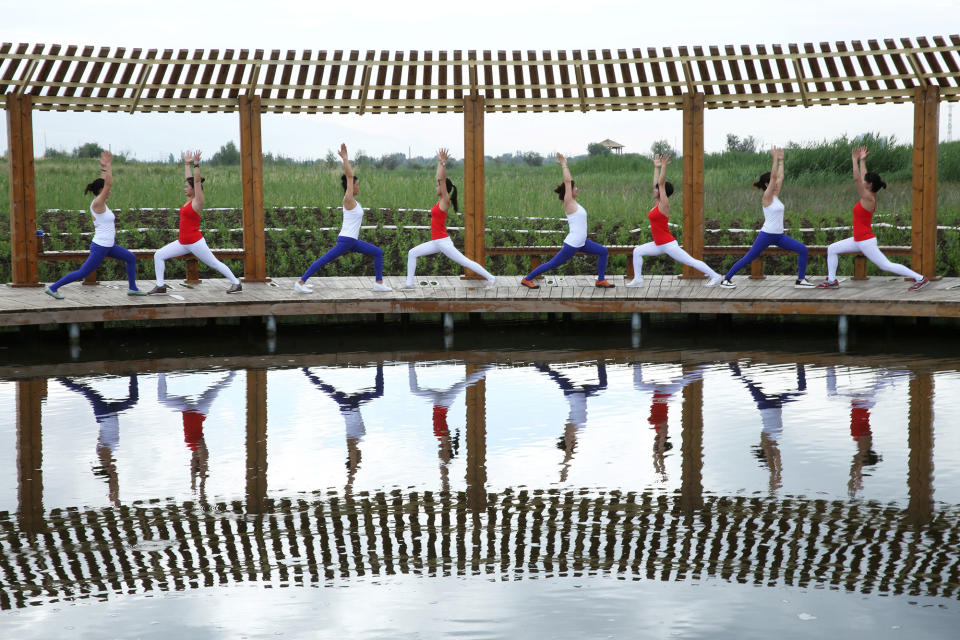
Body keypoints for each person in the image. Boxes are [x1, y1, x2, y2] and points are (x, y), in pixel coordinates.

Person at [817, 146, 929, 291]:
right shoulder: (868, 193)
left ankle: (920, 278)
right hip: (858, 240)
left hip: (865, 241)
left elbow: (857, 178)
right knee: (832, 249)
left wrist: (853, 159)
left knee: (885, 265)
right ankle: (832, 281)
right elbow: (863, 175)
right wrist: (862, 160)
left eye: (866, 181)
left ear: (869, 185)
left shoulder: (868, 198)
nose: (863, 181)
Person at [44, 151, 149, 299]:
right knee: (83, 273)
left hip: (109, 246)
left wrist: (104, 168)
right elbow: (108, 183)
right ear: (101, 191)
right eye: (106, 189)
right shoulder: (98, 203)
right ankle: (53, 288)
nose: (109, 190)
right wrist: (109, 166)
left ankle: (132, 288)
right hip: (100, 246)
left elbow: (104, 181)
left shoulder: (100, 202)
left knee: (131, 258)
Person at [295, 144, 391, 294]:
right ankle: (301, 282)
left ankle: (379, 283)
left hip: (352, 241)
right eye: (357, 185)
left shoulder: (355, 202)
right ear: (351, 186)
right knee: (323, 260)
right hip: (346, 240)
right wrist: (346, 159)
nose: (359, 187)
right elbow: (350, 176)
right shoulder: (348, 198)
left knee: (378, 252)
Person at [148, 151, 242, 295]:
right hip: (183, 243)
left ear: (194, 189)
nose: (185, 188)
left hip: (195, 242)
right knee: (158, 255)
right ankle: (160, 286)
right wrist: (186, 164)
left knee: (213, 263)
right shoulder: (188, 200)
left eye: (187, 187)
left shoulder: (197, 201)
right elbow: (190, 179)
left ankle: (236, 283)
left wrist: (196, 164)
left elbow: (196, 181)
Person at [402, 149, 496, 289]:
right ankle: (409, 284)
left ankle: (491, 278)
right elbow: (438, 178)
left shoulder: (445, 200)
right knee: (412, 253)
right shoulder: (439, 201)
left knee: (465, 262)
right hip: (437, 241)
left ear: (444, 188)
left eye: (438, 185)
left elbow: (441, 179)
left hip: (443, 242)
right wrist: (439, 162)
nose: (436, 186)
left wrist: (443, 164)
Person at [719, 148, 813, 288]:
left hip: (779, 236)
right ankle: (726, 279)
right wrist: (774, 158)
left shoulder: (775, 195)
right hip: (767, 235)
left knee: (803, 249)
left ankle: (800, 280)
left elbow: (779, 177)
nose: (775, 184)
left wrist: (781, 160)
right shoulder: (767, 197)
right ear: (766, 185)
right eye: (771, 182)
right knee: (749, 257)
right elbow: (775, 177)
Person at [627, 155, 722, 287]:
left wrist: (664, 167)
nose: (654, 190)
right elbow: (657, 183)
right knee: (637, 251)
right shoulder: (657, 203)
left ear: (662, 192)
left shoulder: (664, 204)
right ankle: (638, 280)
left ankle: (716, 276)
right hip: (659, 244)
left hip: (668, 244)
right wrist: (656, 167)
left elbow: (660, 183)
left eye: (657, 189)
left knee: (691, 261)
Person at [520, 153, 613, 289]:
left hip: (582, 242)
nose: (577, 188)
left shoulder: (575, 203)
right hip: (573, 243)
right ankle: (527, 279)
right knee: (552, 264)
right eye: (575, 187)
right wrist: (564, 165)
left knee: (603, 251)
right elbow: (568, 181)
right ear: (569, 191)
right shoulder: (568, 202)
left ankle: (600, 280)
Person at [57, 375, 140, 505]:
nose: (114, 467)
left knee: (85, 389)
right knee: (133, 400)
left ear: (106, 468)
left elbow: (113, 476)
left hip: (103, 412)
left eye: (111, 468)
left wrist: (114, 493)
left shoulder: (102, 453)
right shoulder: (109, 451)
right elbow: (114, 476)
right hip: (111, 411)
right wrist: (114, 494)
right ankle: (133, 373)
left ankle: (59, 378)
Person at [408, 363, 491, 491]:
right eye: (443, 453)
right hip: (443, 403)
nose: (440, 453)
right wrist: (445, 480)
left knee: (415, 390)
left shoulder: (439, 437)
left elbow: (445, 453)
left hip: (437, 403)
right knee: (464, 383)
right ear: (448, 449)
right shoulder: (444, 438)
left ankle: (411, 364)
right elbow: (445, 460)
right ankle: (488, 367)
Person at [303, 364, 385, 494]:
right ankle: (379, 364)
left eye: (357, 460)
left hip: (348, 405)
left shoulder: (352, 443)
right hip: (354, 403)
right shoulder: (357, 441)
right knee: (378, 392)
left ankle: (305, 370)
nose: (360, 458)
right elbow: (353, 464)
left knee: (325, 387)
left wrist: (349, 483)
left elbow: (352, 465)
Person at [825, 366, 904, 497]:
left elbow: (856, 462)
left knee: (879, 384)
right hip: (863, 403)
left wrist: (856, 480)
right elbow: (857, 462)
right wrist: (855, 479)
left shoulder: (862, 446)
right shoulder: (865, 444)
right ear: (865, 456)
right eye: (862, 460)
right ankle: (897, 372)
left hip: (859, 403)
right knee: (832, 394)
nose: (859, 460)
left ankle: (831, 368)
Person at [728, 362, 808, 492]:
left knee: (747, 382)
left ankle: (733, 365)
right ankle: (800, 365)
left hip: (767, 405)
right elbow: (776, 459)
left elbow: (775, 459)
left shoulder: (768, 442)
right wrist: (776, 477)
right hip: (773, 404)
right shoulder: (773, 443)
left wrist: (775, 477)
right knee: (801, 390)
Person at [157, 370, 236, 499]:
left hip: (186, 409)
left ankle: (161, 372)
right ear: (198, 462)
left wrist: (193, 482)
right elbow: (202, 466)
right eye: (193, 465)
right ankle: (234, 373)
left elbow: (193, 469)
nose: (191, 464)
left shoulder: (191, 447)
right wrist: (201, 487)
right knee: (217, 388)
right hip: (199, 411)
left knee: (162, 399)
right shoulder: (202, 452)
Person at [536, 362, 607, 482]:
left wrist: (565, 470)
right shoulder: (577, 430)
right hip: (582, 394)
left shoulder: (570, 433)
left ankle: (541, 367)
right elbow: (570, 453)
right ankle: (601, 363)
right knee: (603, 386)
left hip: (573, 394)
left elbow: (568, 454)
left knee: (557, 377)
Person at [633, 363, 705, 481]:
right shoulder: (663, 432)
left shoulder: (659, 432)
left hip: (659, 392)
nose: (656, 445)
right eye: (659, 446)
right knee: (686, 380)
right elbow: (659, 454)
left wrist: (658, 469)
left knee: (685, 380)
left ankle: (637, 364)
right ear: (663, 444)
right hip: (664, 392)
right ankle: (703, 367)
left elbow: (655, 456)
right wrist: (663, 469)